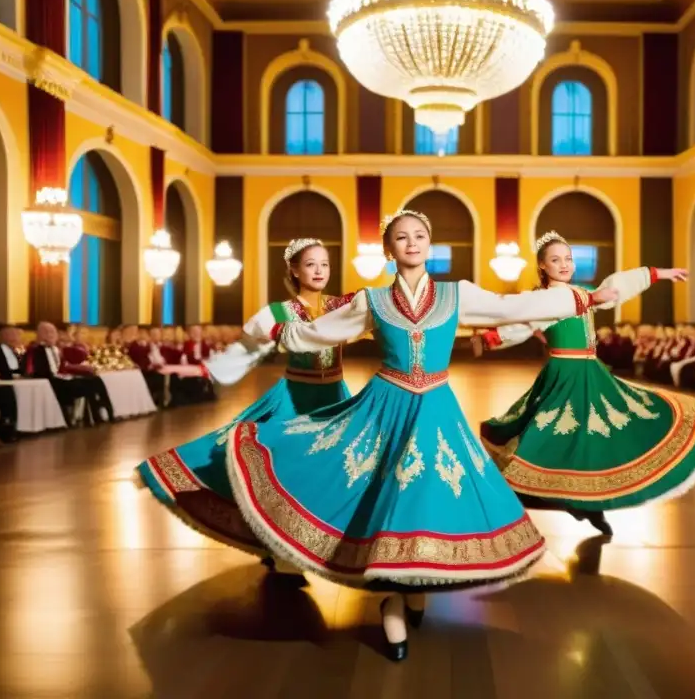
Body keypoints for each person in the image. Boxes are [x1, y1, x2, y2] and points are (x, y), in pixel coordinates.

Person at [213, 211, 619, 662]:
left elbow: (512, 307)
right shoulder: (372, 300)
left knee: (428, 496)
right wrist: (277, 331)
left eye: (420, 236)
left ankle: (412, 587)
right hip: (385, 406)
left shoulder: (456, 293)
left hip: (437, 408)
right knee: (386, 500)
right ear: (388, 251)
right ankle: (393, 596)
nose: (412, 243)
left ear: (430, 244)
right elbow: (318, 331)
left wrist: (583, 300)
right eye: (401, 238)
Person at [473, 231, 695, 537]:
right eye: (555, 260)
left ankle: (589, 503)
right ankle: (542, 495)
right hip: (563, 375)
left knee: (598, 435)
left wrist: (657, 274)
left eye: (568, 259)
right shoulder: (545, 300)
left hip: (591, 372)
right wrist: (488, 339)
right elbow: (522, 326)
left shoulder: (582, 293)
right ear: (543, 266)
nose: (564, 264)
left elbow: (614, 286)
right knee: (553, 434)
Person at [136, 239, 355, 568]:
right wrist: (202, 368)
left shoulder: (342, 307)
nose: (319, 270)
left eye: (324, 264)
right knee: (282, 472)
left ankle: (325, 541)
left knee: (336, 469)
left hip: (335, 398)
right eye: (310, 264)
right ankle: (280, 546)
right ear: (295, 270)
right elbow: (246, 351)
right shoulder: (276, 314)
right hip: (295, 399)